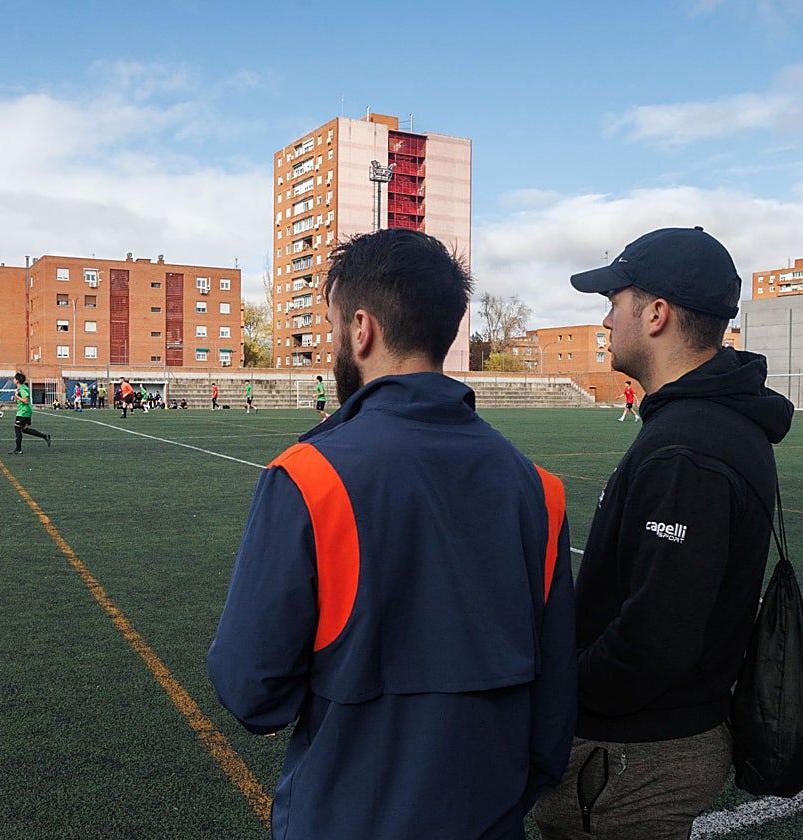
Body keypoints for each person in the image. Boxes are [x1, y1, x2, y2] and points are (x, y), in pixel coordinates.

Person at [209, 228, 577, 840]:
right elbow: (553, 718)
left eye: (330, 327)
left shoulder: (307, 476)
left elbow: (252, 690)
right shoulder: (541, 491)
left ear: (361, 329)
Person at [533, 227, 794, 840]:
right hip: (652, 740)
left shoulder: (686, 448)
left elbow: (656, 639)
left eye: (613, 301)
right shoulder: (702, 424)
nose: (605, 319)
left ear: (656, 314)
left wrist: (561, 688)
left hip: (636, 756)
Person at [8, 372, 50, 455]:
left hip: (23, 412)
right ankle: (45, 436)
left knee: (17, 429)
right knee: (25, 429)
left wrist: (17, 397)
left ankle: (18, 449)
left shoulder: (23, 389)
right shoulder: (20, 388)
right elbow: (20, 400)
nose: (13, 380)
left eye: (14, 378)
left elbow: (26, 401)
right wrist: (15, 398)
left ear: (17, 380)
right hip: (25, 411)